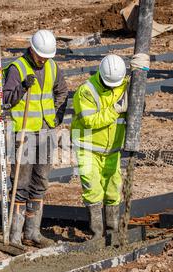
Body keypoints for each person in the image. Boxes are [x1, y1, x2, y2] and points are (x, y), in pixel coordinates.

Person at [3, 29, 69, 247]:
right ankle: (14, 234)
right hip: (24, 133)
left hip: (46, 132)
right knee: (21, 184)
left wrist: (57, 116)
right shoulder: (17, 68)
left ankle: (32, 233)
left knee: (40, 182)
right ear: (31, 49)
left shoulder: (51, 66)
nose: (43, 60)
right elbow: (7, 100)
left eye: (46, 57)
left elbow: (62, 91)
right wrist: (22, 87)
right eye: (41, 56)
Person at [70, 54, 129, 242]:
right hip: (88, 148)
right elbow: (89, 121)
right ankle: (96, 234)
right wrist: (114, 110)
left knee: (113, 190)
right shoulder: (86, 91)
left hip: (112, 149)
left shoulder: (125, 86)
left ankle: (112, 232)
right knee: (93, 190)